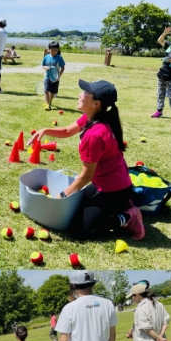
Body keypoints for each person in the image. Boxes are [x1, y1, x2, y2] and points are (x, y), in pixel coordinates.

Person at [28, 79, 145, 241]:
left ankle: (127, 216)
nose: (79, 94)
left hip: (115, 191)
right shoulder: (92, 117)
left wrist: (62, 196)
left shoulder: (95, 135)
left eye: (84, 93)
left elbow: (85, 177)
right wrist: (45, 130)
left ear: (96, 103)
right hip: (102, 185)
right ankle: (118, 206)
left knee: (79, 232)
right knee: (70, 216)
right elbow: (68, 131)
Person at [153, 26, 171, 123]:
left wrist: (168, 60)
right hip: (163, 73)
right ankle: (159, 111)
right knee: (160, 94)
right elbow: (160, 40)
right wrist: (165, 33)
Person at [42, 41, 66, 110]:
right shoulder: (46, 57)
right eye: (52, 50)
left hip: (55, 78)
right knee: (46, 91)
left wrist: (58, 76)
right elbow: (43, 65)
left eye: (55, 50)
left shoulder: (59, 58)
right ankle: (46, 104)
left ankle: (49, 101)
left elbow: (63, 67)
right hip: (47, 77)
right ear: (49, 50)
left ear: (58, 50)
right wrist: (45, 67)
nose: (54, 51)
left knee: (53, 92)